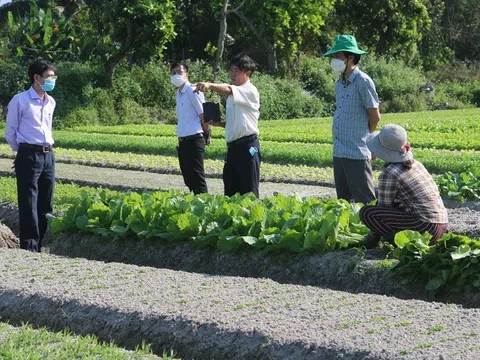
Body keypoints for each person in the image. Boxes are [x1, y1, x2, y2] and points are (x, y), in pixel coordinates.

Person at [359, 124, 448, 248]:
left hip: (425, 228)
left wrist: (373, 235)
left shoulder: (390, 173)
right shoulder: (417, 164)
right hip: (441, 226)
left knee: (367, 213)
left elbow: (384, 207)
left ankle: (399, 243)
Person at [5, 59, 57, 252]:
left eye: (53, 76)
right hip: (29, 154)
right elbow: (10, 132)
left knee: (46, 203)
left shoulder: (51, 102)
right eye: (49, 76)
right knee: (28, 203)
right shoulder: (20, 100)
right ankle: (29, 247)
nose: (52, 80)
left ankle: (40, 244)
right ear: (37, 78)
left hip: (48, 155)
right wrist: (23, 152)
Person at [324, 35, 380, 204]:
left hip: (357, 150)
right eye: (333, 56)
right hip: (339, 150)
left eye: (337, 56)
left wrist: (368, 141)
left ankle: (373, 229)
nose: (334, 60)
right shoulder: (340, 83)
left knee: (365, 199)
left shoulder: (363, 81)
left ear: (350, 57)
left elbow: (375, 116)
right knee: (344, 201)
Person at [195, 54, 261, 197]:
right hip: (233, 148)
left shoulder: (249, 90)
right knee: (230, 190)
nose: (232, 74)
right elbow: (236, 121)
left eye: (236, 71)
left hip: (248, 146)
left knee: (248, 191)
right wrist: (218, 123)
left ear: (247, 73)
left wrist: (210, 85)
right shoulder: (233, 96)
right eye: (231, 70)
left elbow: (228, 89)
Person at [170, 61, 209, 195]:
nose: (176, 75)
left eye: (180, 72)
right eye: (174, 73)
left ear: (187, 74)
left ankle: (204, 203)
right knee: (188, 177)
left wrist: (206, 135)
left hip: (195, 138)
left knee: (197, 176)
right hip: (183, 140)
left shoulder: (193, 91)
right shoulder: (178, 93)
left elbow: (203, 114)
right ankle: (194, 203)